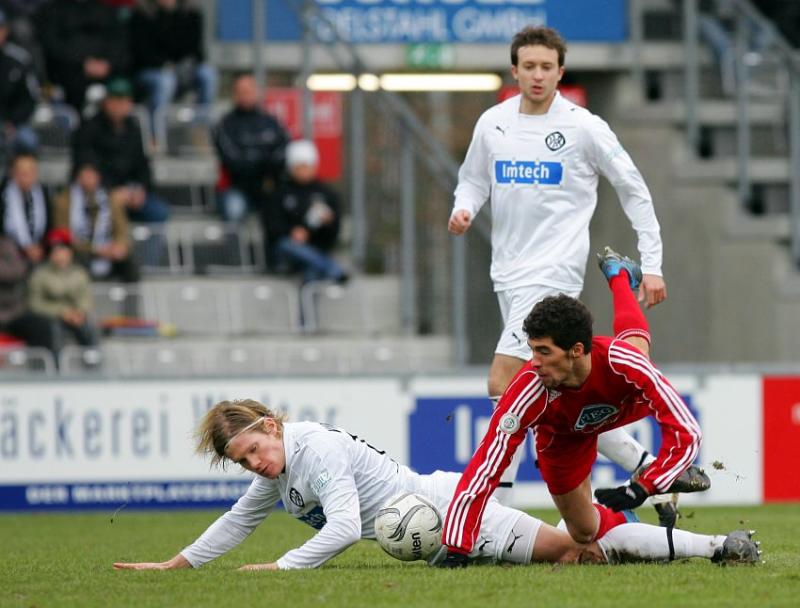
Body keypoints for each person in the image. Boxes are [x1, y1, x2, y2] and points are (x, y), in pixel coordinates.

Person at [446, 25, 673, 519]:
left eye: (547, 67)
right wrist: (463, 209)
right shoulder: (494, 123)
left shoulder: (583, 127)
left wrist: (651, 265)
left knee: (504, 379)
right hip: (507, 272)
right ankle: (642, 463)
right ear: (514, 70)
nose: (537, 75)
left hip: (554, 271)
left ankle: (493, 515)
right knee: (557, 389)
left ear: (560, 72)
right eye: (529, 66)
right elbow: (471, 181)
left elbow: (633, 188)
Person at [112, 399, 759, 572]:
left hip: (453, 509)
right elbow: (238, 519)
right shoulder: (282, 469)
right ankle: (665, 534)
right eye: (242, 461)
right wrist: (177, 563)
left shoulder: (314, 450)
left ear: (272, 427)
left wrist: (280, 570)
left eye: (253, 450)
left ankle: (715, 549)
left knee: (574, 548)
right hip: (435, 520)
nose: (254, 465)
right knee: (572, 552)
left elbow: (340, 529)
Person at [440, 249, 704, 567]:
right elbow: (486, 465)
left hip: (622, 403)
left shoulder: (623, 364)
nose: (533, 362)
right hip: (563, 437)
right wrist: (457, 546)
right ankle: (624, 522)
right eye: (531, 350)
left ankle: (619, 276)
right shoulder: (528, 389)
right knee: (583, 532)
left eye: (543, 351)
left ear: (575, 351)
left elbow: (687, 432)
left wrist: (644, 485)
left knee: (636, 351)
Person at [72, 77, 169, 223]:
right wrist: (110, 191)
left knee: (159, 212)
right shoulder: (89, 128)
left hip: (128, 193)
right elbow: (87, 166)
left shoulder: (133, 129)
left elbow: (143, 167)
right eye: (116, 100)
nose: (120, 105)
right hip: (100, 195)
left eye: (124, 100)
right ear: (106, 102)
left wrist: (140, 190)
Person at [264, 140, 347, 283]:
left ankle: (321, 270)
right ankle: (332, 268)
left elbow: (334, 230)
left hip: (315, 248)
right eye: (299, 165)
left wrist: (328, 223)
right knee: (289, 245)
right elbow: (271, 225)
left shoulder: (326, 194)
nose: (304, 170)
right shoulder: (280, 194)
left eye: (307, 165)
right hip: (286, 251)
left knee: (311, 275)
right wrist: (292, 232)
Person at [130, 0, 216, 130]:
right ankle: (157, 135)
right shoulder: (142, 13)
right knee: (165, 81)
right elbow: (141, 53)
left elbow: (196, 51)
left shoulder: (190, 13)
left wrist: (185, 64)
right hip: (149, 71)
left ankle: (199, 128)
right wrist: (164, 65)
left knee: (208, 74)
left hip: (182, 70)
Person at [213, 73, 289, 222]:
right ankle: (233, 246)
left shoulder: (271, 122)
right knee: (234, 209)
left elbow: (281, 153)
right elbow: (234, 162)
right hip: (237, 189)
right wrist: (264, 161)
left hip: (269, 187)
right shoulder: (226, 124)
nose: (244, 96)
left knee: (289, 206)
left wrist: (255, 159)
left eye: (248, 91)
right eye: (240, 92)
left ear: (257, 92)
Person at [34, 0, 131, 112]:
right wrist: (82, 63)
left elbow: (119, 42)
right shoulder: (54, 10)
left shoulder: (105, 10)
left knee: (123, 84)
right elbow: (51, 45)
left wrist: (108, 63)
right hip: (68, 72)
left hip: (106, 71)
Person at [52, 163, 139, 283]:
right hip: (79, 250)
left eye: (92, 175)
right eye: (85, 174)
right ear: (77, 177)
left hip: (108, 248)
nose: (89, 179)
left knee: (130, 261)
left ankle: (131, 300)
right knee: (72, 258)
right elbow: (62, 234)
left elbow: (122, 229)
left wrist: (120, 245)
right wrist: (95, 249)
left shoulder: (110, 198)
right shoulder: (63, 201)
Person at [28, 228, 98, 348]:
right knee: (53, 330)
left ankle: (93, 361)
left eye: (63, 249)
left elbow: (85, 298)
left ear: (70, 251)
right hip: (50, 317)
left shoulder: (79, 273)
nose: (59, 254)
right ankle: (56, 365)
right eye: (54, 251)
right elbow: (35, 304)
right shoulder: (40, 274)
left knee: (89, 327)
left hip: (76, 316)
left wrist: (80, 312)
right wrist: (62, 312)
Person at [0, 233, 57, 352]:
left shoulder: (6, 244)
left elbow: (18, 270)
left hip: (11, 314)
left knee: (42, 326)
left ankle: (42, 369)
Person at [0, 7, 39, 154]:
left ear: (6, 30)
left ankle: (20, 177)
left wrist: (13, 122)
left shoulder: (19, 59)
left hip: (13, 121)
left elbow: (30, 97)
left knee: (28, 140)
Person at [0, 151, 49, 264]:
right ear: (13, 173)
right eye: (22, 172)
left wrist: (38, 247)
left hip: (40, 247)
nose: (27, 176)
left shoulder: (43, 192)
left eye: (31, 171)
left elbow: (49, 226)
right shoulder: (3, 194)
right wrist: (25, 247)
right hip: (9, 249)